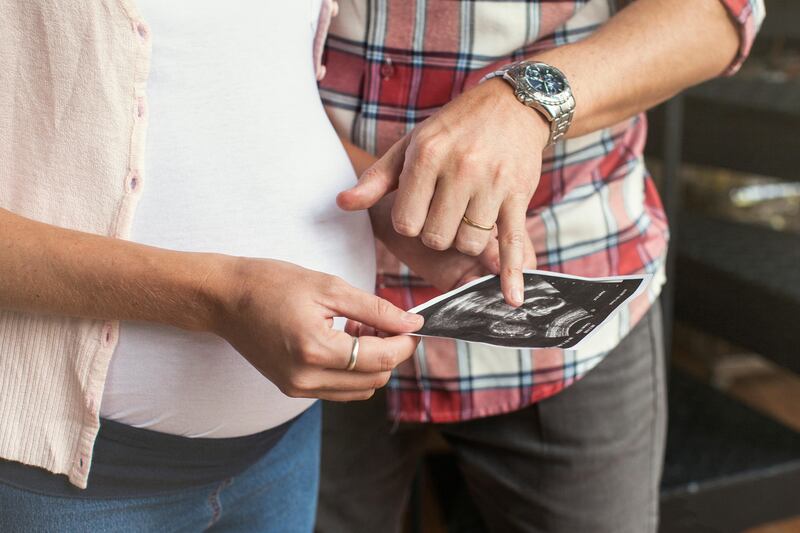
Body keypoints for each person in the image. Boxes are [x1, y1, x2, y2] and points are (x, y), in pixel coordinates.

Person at [0, 1, 494, 531]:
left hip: (284, 450)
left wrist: (392, 206)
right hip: (74, 483)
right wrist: (221, 295)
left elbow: (251, 94)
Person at [316, 1, 765, 532]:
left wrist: (530, 100)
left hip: (566, 287)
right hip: (309, 298)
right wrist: (360, 183)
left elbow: (720, 14)